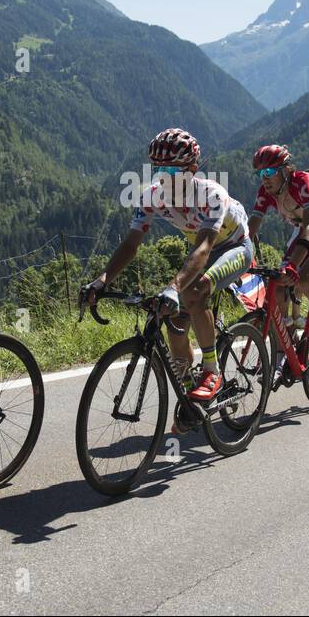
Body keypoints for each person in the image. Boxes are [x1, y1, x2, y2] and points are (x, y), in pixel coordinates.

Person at [85, 128, 253, 433]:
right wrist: (102, 280)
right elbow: (131, 243)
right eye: (157, 168)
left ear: (191, 170)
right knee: (171, 318)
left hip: (233, 248)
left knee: (194, 293)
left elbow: (204, 247)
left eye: (170, 170)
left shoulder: (211, 193)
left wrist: (176, 286)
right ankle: (189, 396)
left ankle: (212, 371)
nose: (161, 176)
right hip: (201, 253)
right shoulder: (151, 196)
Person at [247, 144, 309, 365]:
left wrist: (293, 265)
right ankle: (286, 344)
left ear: (285, 170)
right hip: (305, 232)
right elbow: (252, 224)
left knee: (305, 280)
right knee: (279, 285)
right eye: (260, 173)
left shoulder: (301, 183)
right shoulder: (265, 191)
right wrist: (238, 252)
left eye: (269, 172)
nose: (264, 178)